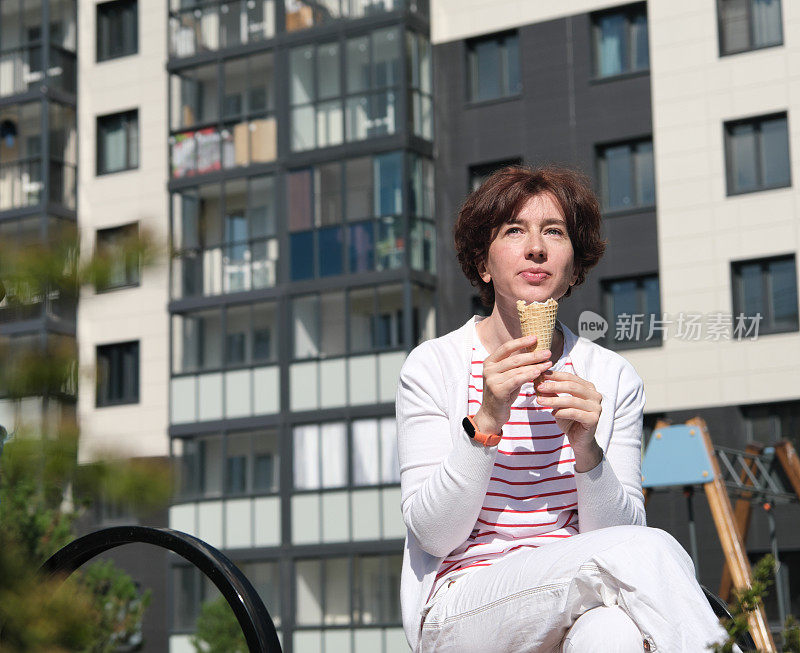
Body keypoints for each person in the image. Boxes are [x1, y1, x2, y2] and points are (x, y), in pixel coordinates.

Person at [395, 166, 734, 652]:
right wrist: (487, 420)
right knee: (652, 549)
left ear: (574, 269)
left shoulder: (612, 376)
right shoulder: (434, 365)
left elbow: (617, 534)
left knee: (613, 634)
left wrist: (586, 449)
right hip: (462, 604)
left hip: (582, 591)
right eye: (514, 230)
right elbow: (432, 535)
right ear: (483, 264)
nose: (536, 247)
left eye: (553, 231)